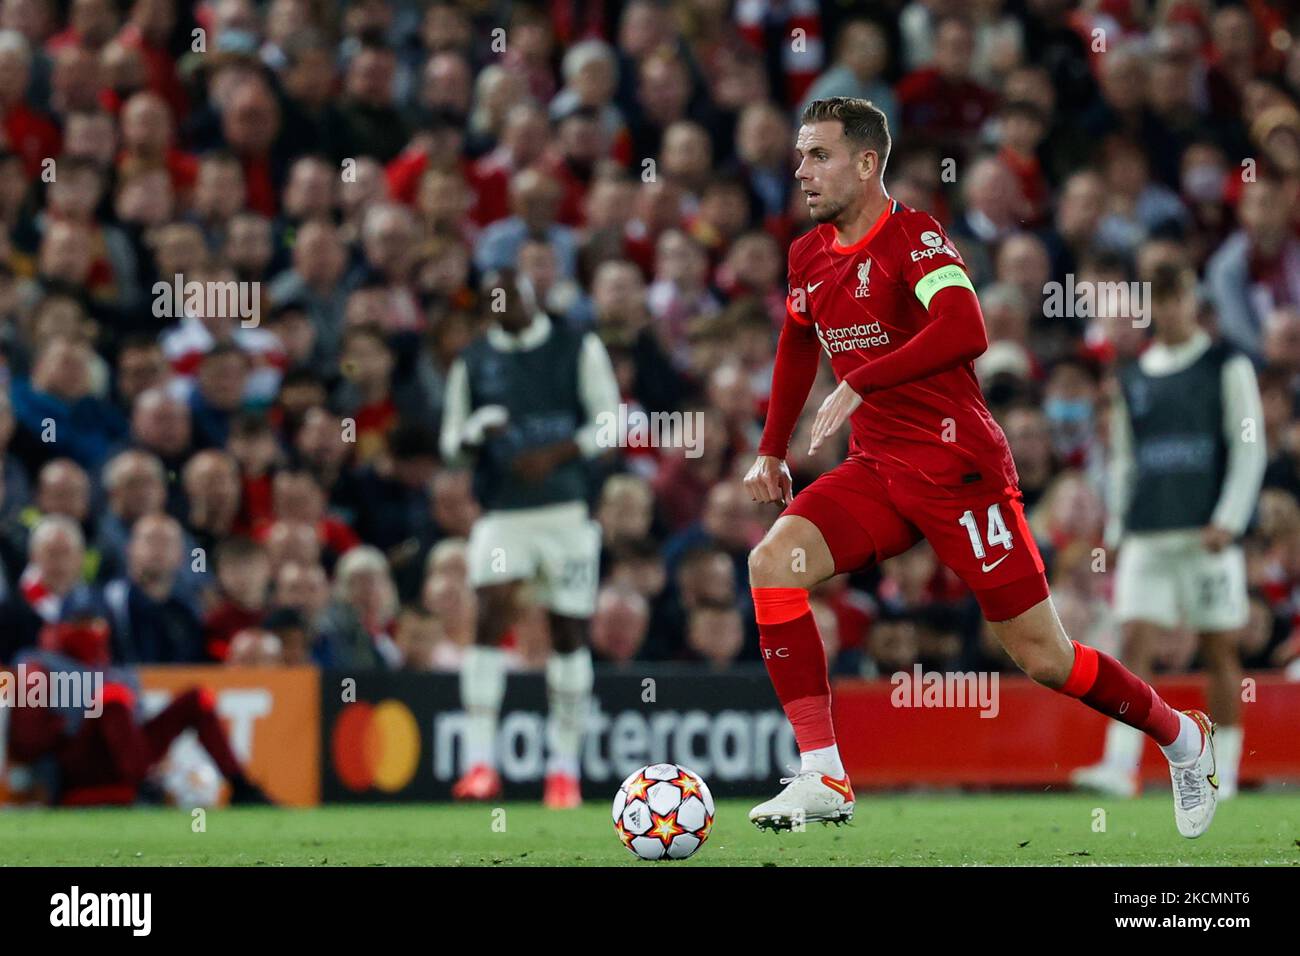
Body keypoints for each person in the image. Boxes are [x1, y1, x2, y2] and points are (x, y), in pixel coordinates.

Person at [742, 97, 1218, 838]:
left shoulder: (915, 239)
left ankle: (1182, 738)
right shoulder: (807, 254)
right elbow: (797, 340)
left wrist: (863, 379)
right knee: (773, 563)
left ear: (867, 164)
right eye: (800, 155)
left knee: (1045, 659)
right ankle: (823, 773)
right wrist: (771, 446)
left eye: (818, 156)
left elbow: (966, 328)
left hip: (959, 468)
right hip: (879, 469)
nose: (800, 170)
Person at [1072, 263, 1265, 800]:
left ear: (1191, 299)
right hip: (1148, 533)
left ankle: (1219, 768)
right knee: (1133, 643)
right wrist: (1115, 526)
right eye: (1157, 299)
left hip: (1206, 534)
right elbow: (1125, 458)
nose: (1167, 309)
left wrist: (1229, 518)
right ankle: (1120, 764)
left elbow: (1248, 442)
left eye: (1175, 296)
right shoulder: (1131, 374)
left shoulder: (1226, 363)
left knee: (1219, 647)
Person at [440, 267, 618, 808]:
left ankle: (562, 771)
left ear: (531, 293)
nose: (503, 309)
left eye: (510, 297)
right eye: (492, 302)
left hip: (566, 511)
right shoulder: (472, 361)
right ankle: (479, 764)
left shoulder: (577, 346)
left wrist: (558, 453)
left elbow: (611, 424)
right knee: (491, 613)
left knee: (566, 630)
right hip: (503, 511)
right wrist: (474, 435)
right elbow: (451, 442)